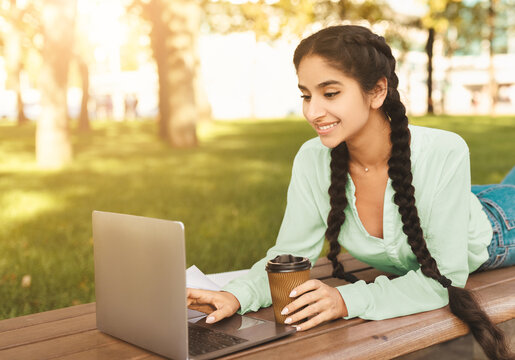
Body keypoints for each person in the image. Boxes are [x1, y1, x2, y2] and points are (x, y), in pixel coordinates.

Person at [187, 25, 515, 359]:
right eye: (306, 95)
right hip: (458, 201)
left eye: (330, 94)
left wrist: (346, 299)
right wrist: (237, 296)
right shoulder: (313, 158)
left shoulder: (444, 151)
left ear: (376, 92)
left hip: (500, 225)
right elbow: (289, 254)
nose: (313, 111)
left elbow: (444, 279)